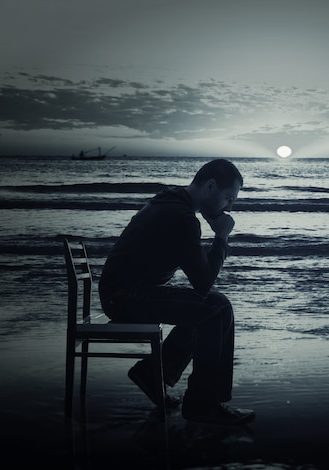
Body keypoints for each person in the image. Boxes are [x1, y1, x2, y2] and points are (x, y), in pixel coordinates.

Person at [98, 158, 254, 425]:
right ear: (210, 186)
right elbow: (203, 282)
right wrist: (221, 237)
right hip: (126, 298)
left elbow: (200, 283)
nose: (230, 206)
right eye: (228, 198)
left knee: (216, 305)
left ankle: (155, 374)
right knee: (214, 309)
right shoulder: (181, 216)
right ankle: (202, 405)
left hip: (124, 293)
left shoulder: (172, 202)